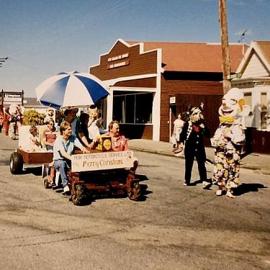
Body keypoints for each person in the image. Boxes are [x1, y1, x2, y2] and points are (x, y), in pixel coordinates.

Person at [210, 88, 248, 198]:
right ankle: (220, 187)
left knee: (232, 170)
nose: (225, 105)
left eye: (231, 102)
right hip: (220, 152)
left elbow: (241, 139)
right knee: (220, 169)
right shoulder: (221, 125)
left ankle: (229, 189)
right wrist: (215, 141)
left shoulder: (237, 125)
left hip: (232, 152)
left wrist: (230, 135)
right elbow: (215, 137)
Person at [53, 121, 90, 194]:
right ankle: (65, 185)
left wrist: (85, 150)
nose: (71, 131)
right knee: (62, 163)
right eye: (68, 129)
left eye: (70, 129)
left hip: (68, 159)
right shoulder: (59, 140)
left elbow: (80, 146)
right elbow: (63, 154)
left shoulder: (73, 137)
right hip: (58, 161)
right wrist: (73, 159)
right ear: (63, 131)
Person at [179, 105, 210, 186]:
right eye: (196, 113)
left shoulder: (201, 124)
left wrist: (204, 128)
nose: (198, 115)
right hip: (190, 147)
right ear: (191, 115)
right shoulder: (188, 124)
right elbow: (182, 135)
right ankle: (187, 180)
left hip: (199, 147)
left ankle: (204, 179)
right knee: (189, 164)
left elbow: (208, 135)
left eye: (199, 113)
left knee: (201, 164)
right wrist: (181, 143)